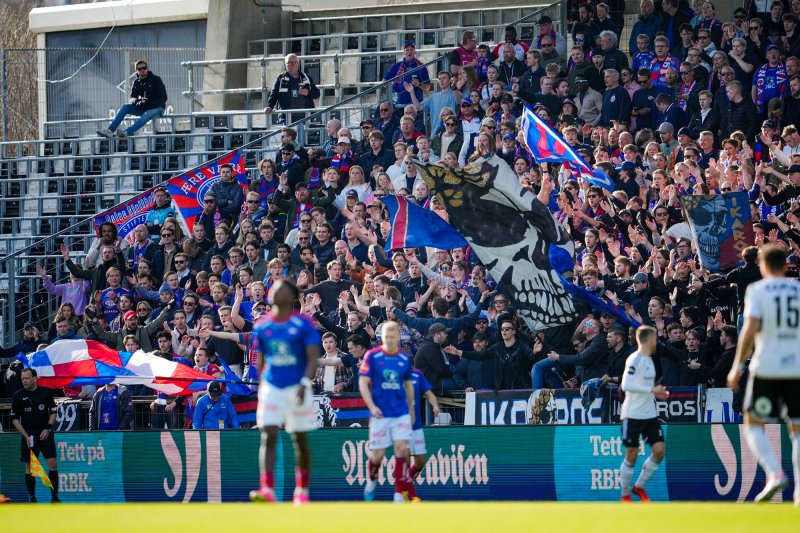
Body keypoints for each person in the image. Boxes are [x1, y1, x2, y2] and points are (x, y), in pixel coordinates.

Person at [727, 244, 800, 504]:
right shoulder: (798, 289)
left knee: (753, 423)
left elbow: (749, 329)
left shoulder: (757, 290)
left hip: (767, 365)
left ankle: (774, 471)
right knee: (797, 428)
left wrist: (737, 366)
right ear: (785, 265)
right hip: (796, 367)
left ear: (764, 266)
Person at [250, 280, 320, 505]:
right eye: (274, 288)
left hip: (297, 386)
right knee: (268, 435)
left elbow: (312, 360)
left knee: (299, 439)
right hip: (272, 387)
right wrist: (264, 386)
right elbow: (261, 362)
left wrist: (302, 383)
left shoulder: (303, 324)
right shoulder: (262, 327)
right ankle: (267, 488)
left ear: (291, 296)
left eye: (282, 288)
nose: (276, 290)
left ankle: (302, 490)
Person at [359, 321, 415, 503]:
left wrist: (411, 409)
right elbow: (362, 383)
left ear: (398, 338)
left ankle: (399, 493)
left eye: (393, 336)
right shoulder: (372, 356)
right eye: (386, 336)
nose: (390, 339)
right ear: (382, 337)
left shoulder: (405, 359)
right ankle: (372, 480)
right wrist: (371, 406)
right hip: (380, 414)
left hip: (400, 413)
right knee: (378, 456)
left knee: (402, 450)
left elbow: (408, 386)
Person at [619, 325, 669, 503]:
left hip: (650, 414)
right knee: (631, 454)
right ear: (649, 340)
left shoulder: (649, 360)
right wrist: (651, 388)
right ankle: (625, 494)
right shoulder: (635, 359)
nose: (657, 342)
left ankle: (638, 487)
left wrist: (657, 392)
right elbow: (626, 385)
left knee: (659, 451)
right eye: (655, 339)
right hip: (632, 414)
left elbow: (645, 388)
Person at [10, 368, 59, 503]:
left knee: (52, 463)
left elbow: (53, 412)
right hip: (29, 435)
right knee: (30, 467)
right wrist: (25, 436)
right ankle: (32, 498)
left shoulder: (46, 392)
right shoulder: (18, 395)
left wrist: (48, 428)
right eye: (22, 379)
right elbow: (14, 419)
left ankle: (55, 497)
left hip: (45, 433)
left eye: (27, 378)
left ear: (35, 378)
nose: (24, 381)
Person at [97, 59, 167, 139]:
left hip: (158, 108)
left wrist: (148, 104)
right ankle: (110, 131)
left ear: (147, 68)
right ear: (136, 71)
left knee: (147, 114)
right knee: (125, 107)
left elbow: (163, 98)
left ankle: (126, 132)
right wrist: (137, 101)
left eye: (144, 68)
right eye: (139, 69)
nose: (142, 70)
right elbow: (131, 98)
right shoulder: (136, 82)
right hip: (144, 108)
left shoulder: (156, 79)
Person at [406, 367, 440, 502]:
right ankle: (412, 496)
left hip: (417, 426)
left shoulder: (417, 374)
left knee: (420, 462)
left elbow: (429, 393)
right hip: (402, 426)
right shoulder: (393, 376)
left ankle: (402, 480)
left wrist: (435, 405)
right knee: (405, 462)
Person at [263, 54, 321, 124]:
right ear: (285, 65)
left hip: (306, 118)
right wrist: (269, 106)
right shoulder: (280, 78)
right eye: (289, 63)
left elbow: (317, 94)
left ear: (298, 64)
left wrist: (307, 92)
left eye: (294, 62)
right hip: (286, 118)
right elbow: (274, 94)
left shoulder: (306, 78)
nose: (291, 65)